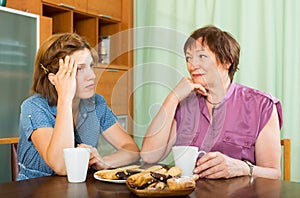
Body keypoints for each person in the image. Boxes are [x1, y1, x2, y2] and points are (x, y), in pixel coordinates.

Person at [141, 25, 282, 179]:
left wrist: (242, 168)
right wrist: (173, 97)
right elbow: (149, 156)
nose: (191, 65)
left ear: (227, 60)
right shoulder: (184, 105)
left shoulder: (261, 105)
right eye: (188, 58)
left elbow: (274, 174)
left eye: (201, 56)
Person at [17, 33, 140, 180]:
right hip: (36, 191)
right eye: (79, 69)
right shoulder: (34, 107)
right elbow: (62, 166)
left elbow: (131, 149)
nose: (92, 76)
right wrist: (65, 98)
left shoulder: (96, 104)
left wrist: (104, 162)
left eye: (91, 66)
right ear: (54, 79)